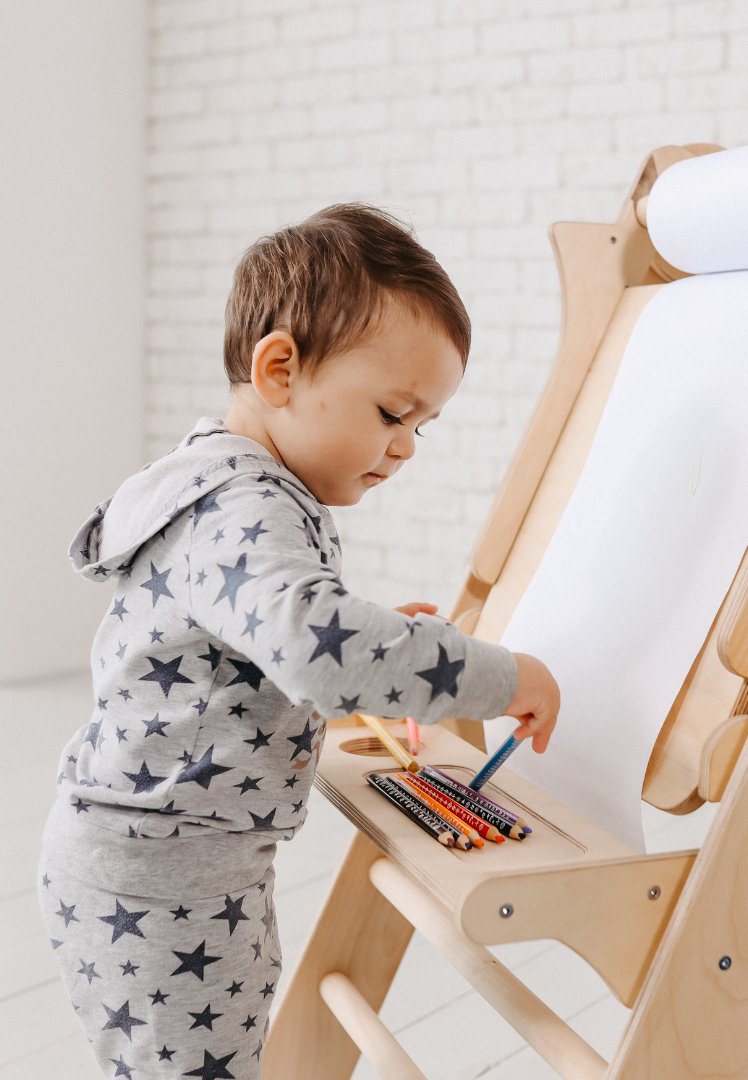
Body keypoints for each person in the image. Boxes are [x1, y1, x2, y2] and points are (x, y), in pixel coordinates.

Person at [37, 203, 560, 1080]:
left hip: (153, 864)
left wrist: (390, 631)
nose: (406, 448)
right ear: (279, 367)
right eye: (395, 412)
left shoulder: (220, 489)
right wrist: (504, 677)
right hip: (166, 883)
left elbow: (266, 637)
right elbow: (321, 650)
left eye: (422, 427)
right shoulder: (245, 504)